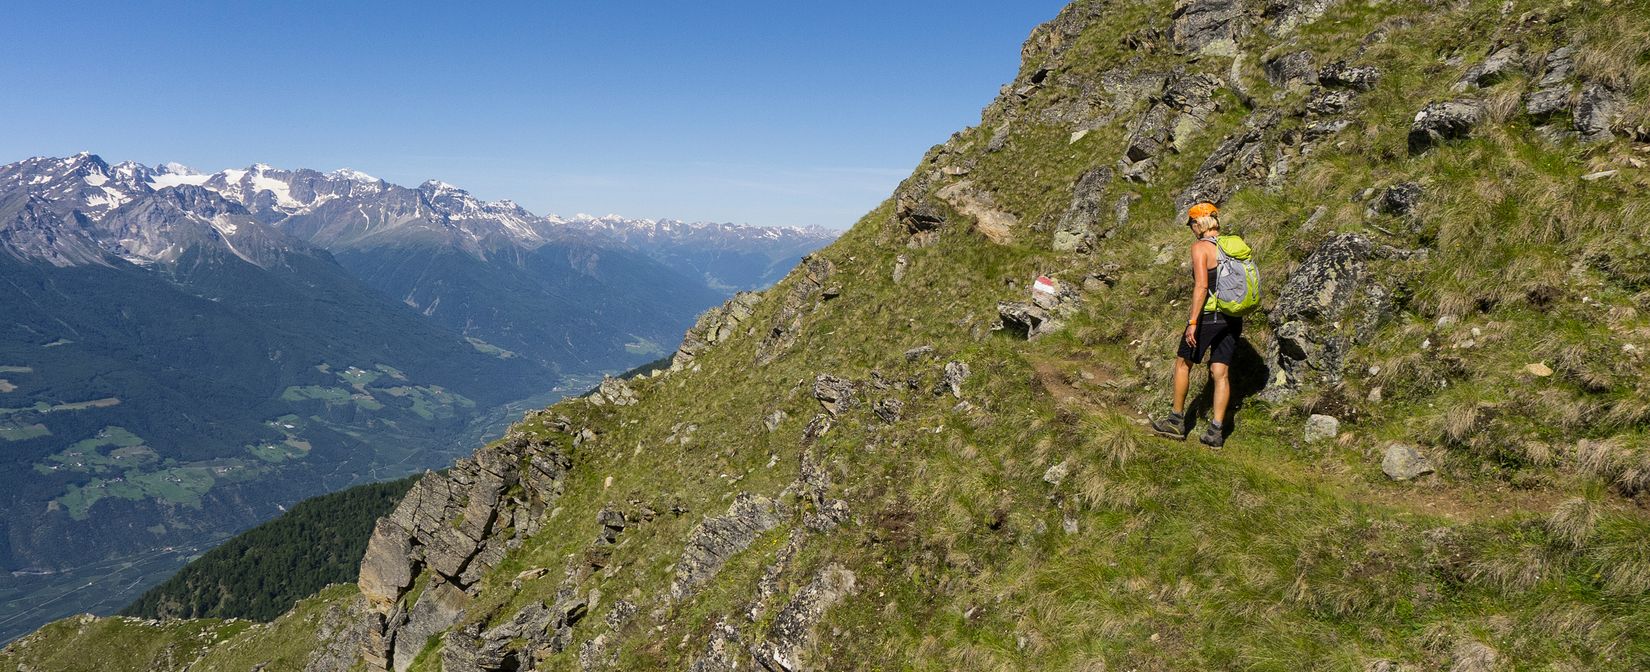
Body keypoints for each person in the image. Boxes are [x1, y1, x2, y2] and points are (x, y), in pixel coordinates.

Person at [1152, 202, 1240, 447]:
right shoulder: (1234, 244)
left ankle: (1176, 421)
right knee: (1220, 372)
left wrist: (1193, 322)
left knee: (1183, 363)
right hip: (1233, 316)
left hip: (1209, 315)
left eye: (1191, 223)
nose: (1191, 228)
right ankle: (1216, 432)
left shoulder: (1200, 247)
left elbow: (1201, 286)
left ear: (1198, 223)